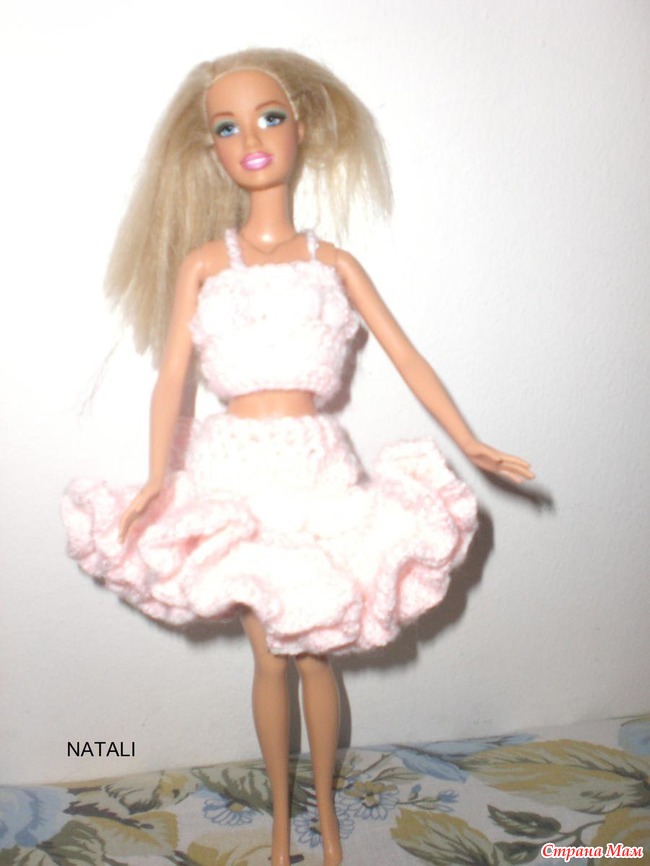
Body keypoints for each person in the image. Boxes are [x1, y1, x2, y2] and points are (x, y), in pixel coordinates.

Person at [62, 49, 534, 866]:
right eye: (228, 127)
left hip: (317, 473)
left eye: (270, 117)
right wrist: (156, 477)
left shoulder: (333, 263)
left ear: (301, 128)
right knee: (269, 659)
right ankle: (282, 830)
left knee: (317, 653)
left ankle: (330, 825)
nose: (251, 139)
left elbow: (408, 356)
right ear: (210, 149)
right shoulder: (205, 263)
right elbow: (171, 378)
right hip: (235, 475)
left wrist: (469, 440)